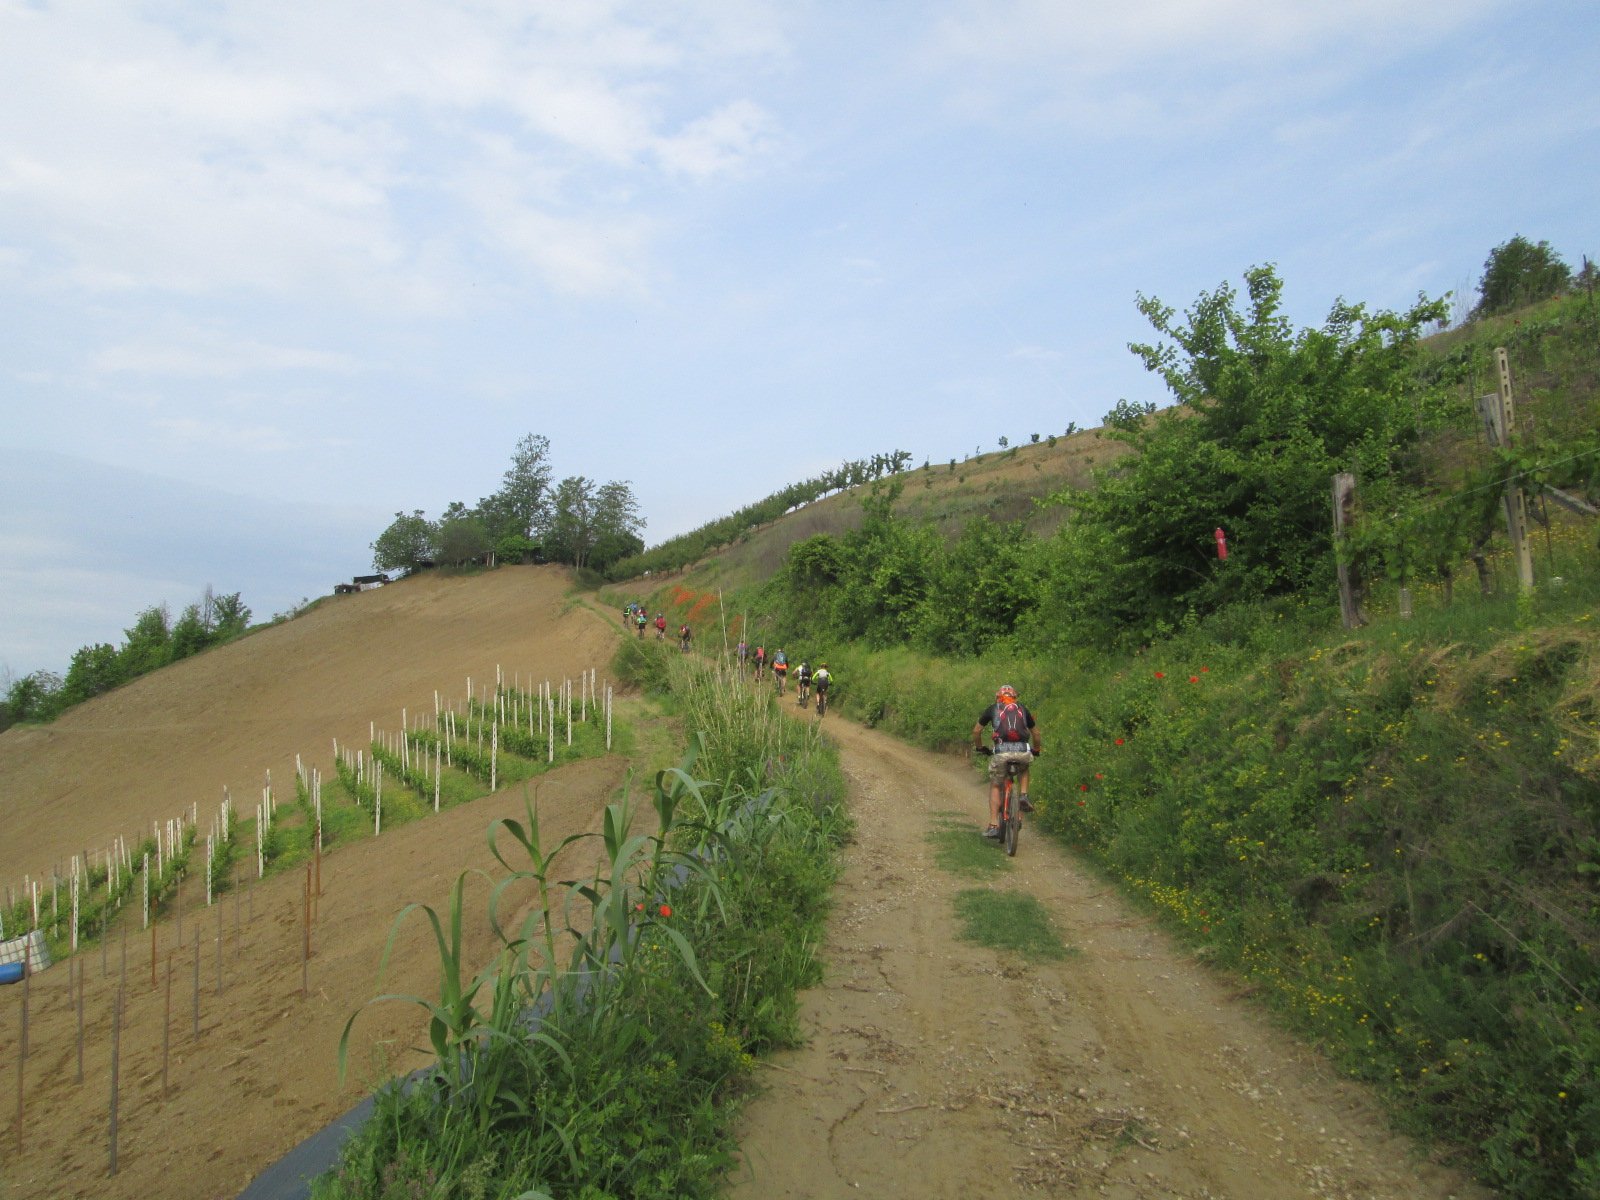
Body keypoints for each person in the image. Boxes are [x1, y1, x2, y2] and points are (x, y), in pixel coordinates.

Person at [972, 684, 1040, 839]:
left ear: (998, 697)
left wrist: (980, 747)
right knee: (1024, 768)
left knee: (996, 784)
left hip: (1002, 752)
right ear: (1015, 697)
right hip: (1023, 751)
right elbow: (1036, 733)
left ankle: (994, 825)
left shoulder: (993, 709)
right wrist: (1036, 749)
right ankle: (1023, 795)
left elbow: (976, 731)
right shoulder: (1022, 709)